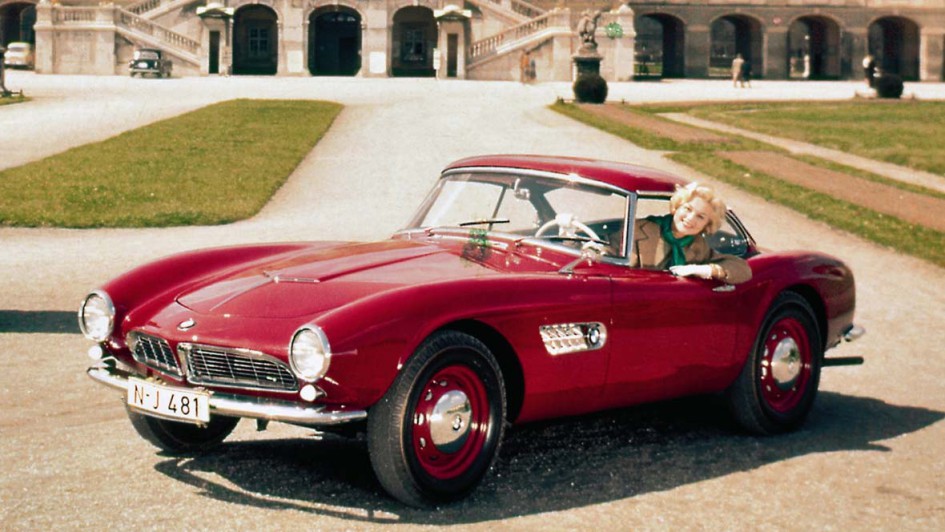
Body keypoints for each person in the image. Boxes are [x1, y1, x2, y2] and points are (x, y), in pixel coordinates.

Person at [630, 183, 752, 284]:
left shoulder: (699, 246)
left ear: (706, 225)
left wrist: (708, 270)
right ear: (677, 207)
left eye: (700, 216)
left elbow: (742, 269)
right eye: (687, 209)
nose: (690, 218)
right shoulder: (637, 230)